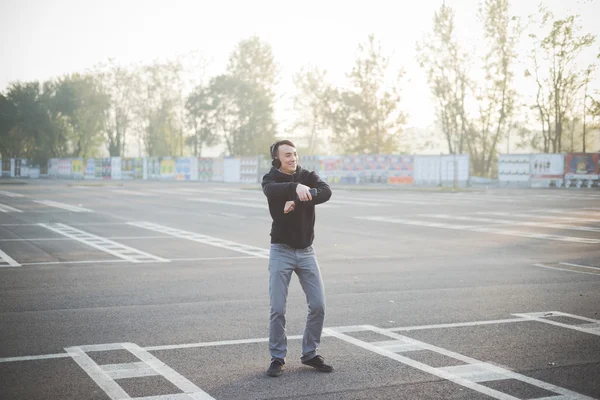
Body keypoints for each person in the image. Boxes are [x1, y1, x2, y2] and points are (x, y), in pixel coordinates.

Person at [261, 139, 333, 377]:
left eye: (294, 154)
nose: (293, 158)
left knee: (318, 305)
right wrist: (294, 188)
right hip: (281, 251)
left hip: (306, 252)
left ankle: (310, 353)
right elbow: (273, 191)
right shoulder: (270, 180)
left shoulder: (307, 176)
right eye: (287, 155)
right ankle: (277, 357)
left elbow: (326, 192)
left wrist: (306, 191)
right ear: (277, 159)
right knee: (278, 308)